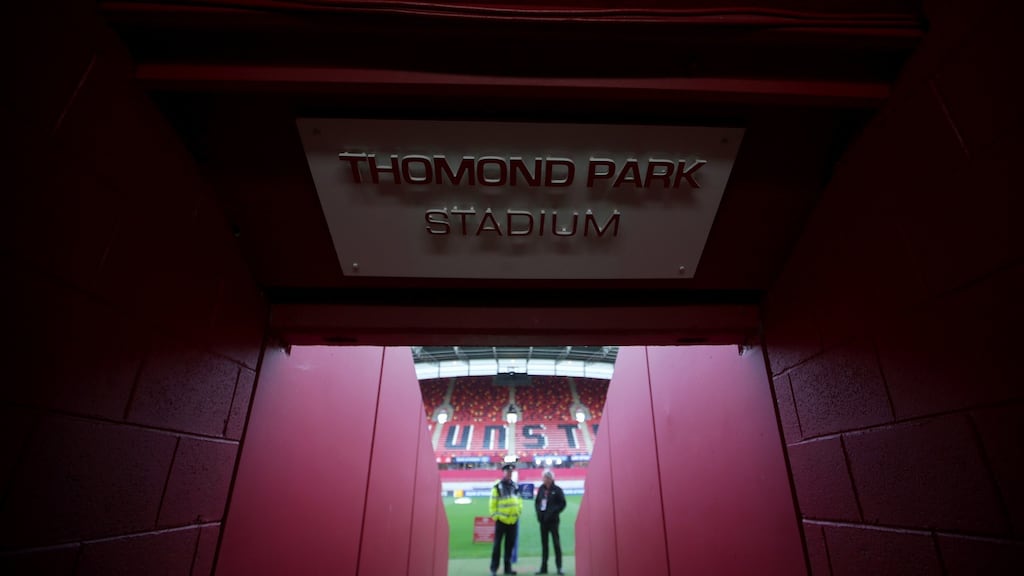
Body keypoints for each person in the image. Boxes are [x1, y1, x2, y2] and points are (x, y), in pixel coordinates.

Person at [490, 462, 523, 576]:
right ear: (503, 472)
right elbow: (492, 503)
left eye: (511, 472)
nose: (509, 474)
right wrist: (496, 516)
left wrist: (518, 511)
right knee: (497, 546)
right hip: (501, 521)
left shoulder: (515, 486)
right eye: (507, 472)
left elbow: (519, 501)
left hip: (513, 521)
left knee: (509, 546)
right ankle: (494, 569)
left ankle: (507, 568)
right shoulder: (497, 486)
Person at [534, 469, 566, 575]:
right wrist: (539, 515)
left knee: (556, 544)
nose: (546, 479)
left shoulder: (557, 490)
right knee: (544, 545)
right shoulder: (541, 490)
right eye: (544, 477)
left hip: (553, 521)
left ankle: (559, 567)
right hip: (543, 522)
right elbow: (537, 503)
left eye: (548, 477)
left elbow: (562, 504)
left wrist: (554, 512)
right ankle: (544, 568)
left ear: (552, 479)